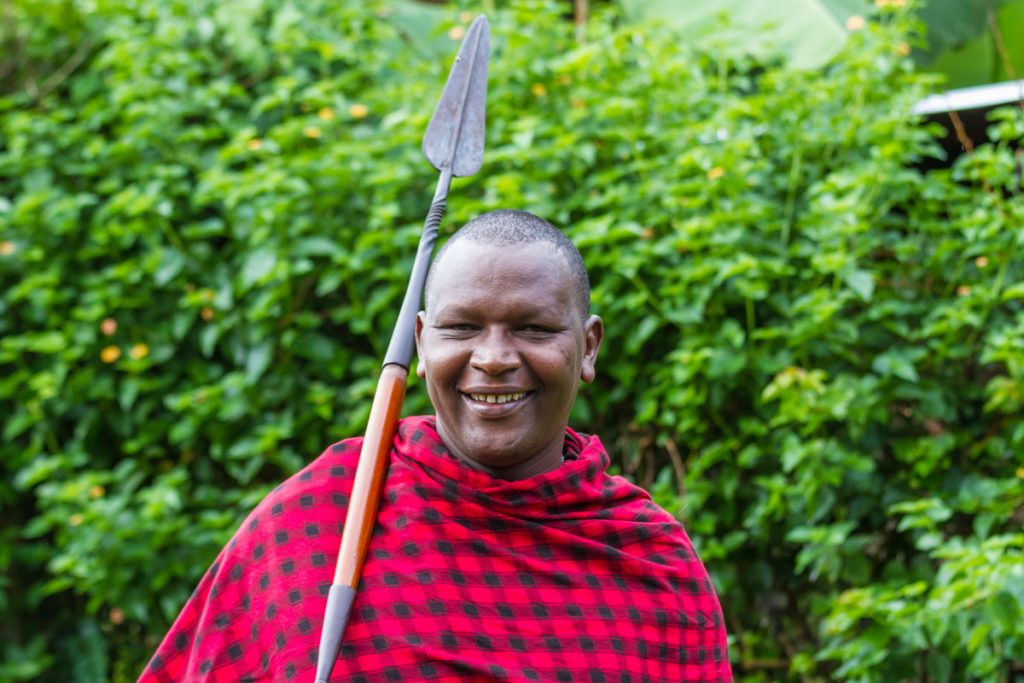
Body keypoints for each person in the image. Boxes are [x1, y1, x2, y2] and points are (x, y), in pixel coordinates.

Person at [139, 210, 732, 682]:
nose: (494, 358)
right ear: (421, 345)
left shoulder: (651, 565)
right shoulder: (323, 517)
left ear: (590, 346)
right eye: (461, 328)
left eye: (534, 328)